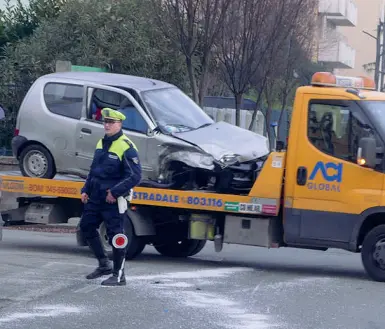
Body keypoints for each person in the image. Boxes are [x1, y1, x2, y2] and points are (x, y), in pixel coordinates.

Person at [79, 107, 142, 286]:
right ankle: (103, 264)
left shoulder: (126, 146)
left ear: (119, 124)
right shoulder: (101, 142)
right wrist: (85, 189)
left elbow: (135, 176)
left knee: (116, 236)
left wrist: (115, 192)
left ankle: (119, 275)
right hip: (96, 197)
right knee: (86, 226)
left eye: (111, 122)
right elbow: (94, 171)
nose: (107, 125)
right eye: (105, 122)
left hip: (114, 200)